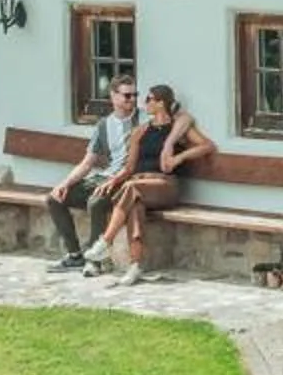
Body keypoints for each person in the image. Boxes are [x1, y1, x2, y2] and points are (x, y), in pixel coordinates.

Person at [89, 83, 216, 286]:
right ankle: (135, 266)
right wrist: (113, 180)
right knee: (135, 206)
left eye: (149, 99)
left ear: (161, 103)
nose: (144, 103)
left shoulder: (177, 128)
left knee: (131, 189)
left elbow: (207, 145)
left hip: (165, 186)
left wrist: (179, 157)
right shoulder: (140, 131)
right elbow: (130, 168)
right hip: (139, 185)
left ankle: (106, 241)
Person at [46, 78, 140, 270]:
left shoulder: (142, 119)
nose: (132, 99)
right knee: (54, 198)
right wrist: (65, 183)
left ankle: (95, 259)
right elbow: (88, 162)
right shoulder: (104, 125)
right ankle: (74, 255)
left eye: (135, 95)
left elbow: (178, 116)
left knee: (95, 202)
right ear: (113, 96)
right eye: (127, 95)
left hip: (128, 180)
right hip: (105, 176)